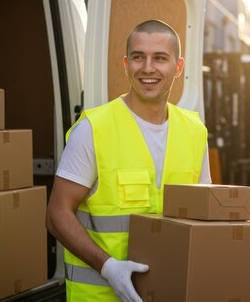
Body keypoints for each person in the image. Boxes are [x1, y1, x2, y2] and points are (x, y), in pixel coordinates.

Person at [46, 19, 211, 302]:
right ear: (126, 64)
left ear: (178, 67)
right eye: (138, 57)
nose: (148, 68)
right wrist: (107, 267)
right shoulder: (94, 128)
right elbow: (56, 214)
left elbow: (203, 218)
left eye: (160, 58)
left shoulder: (195, 131)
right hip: (98, 297)